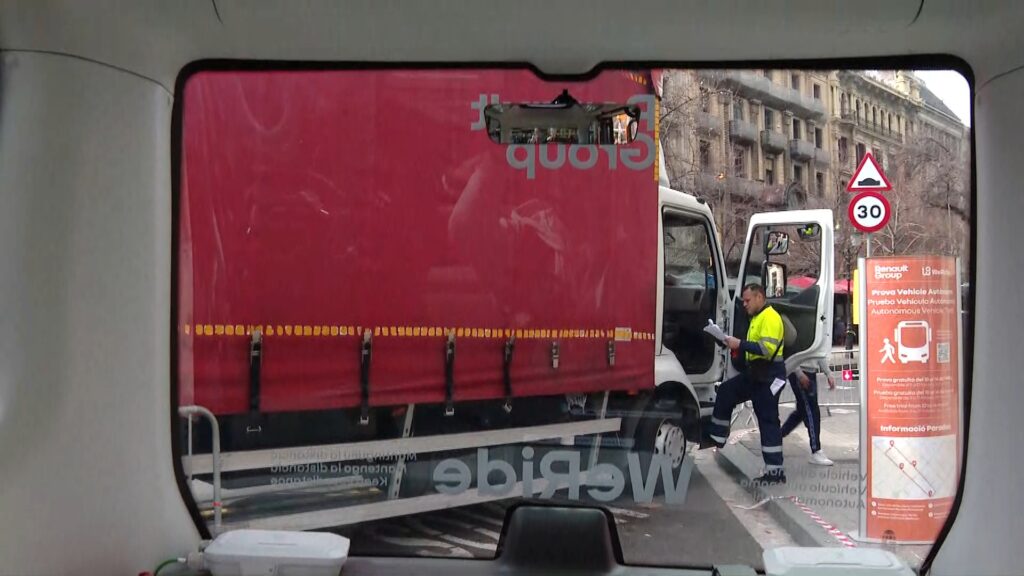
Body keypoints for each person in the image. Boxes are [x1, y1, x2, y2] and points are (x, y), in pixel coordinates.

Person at [705, 283, 788, 484]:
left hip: (769, 377)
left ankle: (775, 472)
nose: (744, 304)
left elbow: (767, 350)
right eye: (743, 300)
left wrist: (739, 344)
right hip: (758, 375)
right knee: (726, 391)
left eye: (747, 300)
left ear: (760, 297)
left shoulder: (770, 317)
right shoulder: (758, 318)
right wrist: (728, 342)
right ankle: (718, 435)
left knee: (768, 422)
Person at [783, 358, 837, 466]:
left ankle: (777, 436)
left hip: (809, 371)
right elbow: (791, 352)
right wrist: (799, 373)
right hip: (801, 371)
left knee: (802, 411)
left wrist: (828, 373)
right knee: (812, 411)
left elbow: (818, 352)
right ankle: (816, 450)